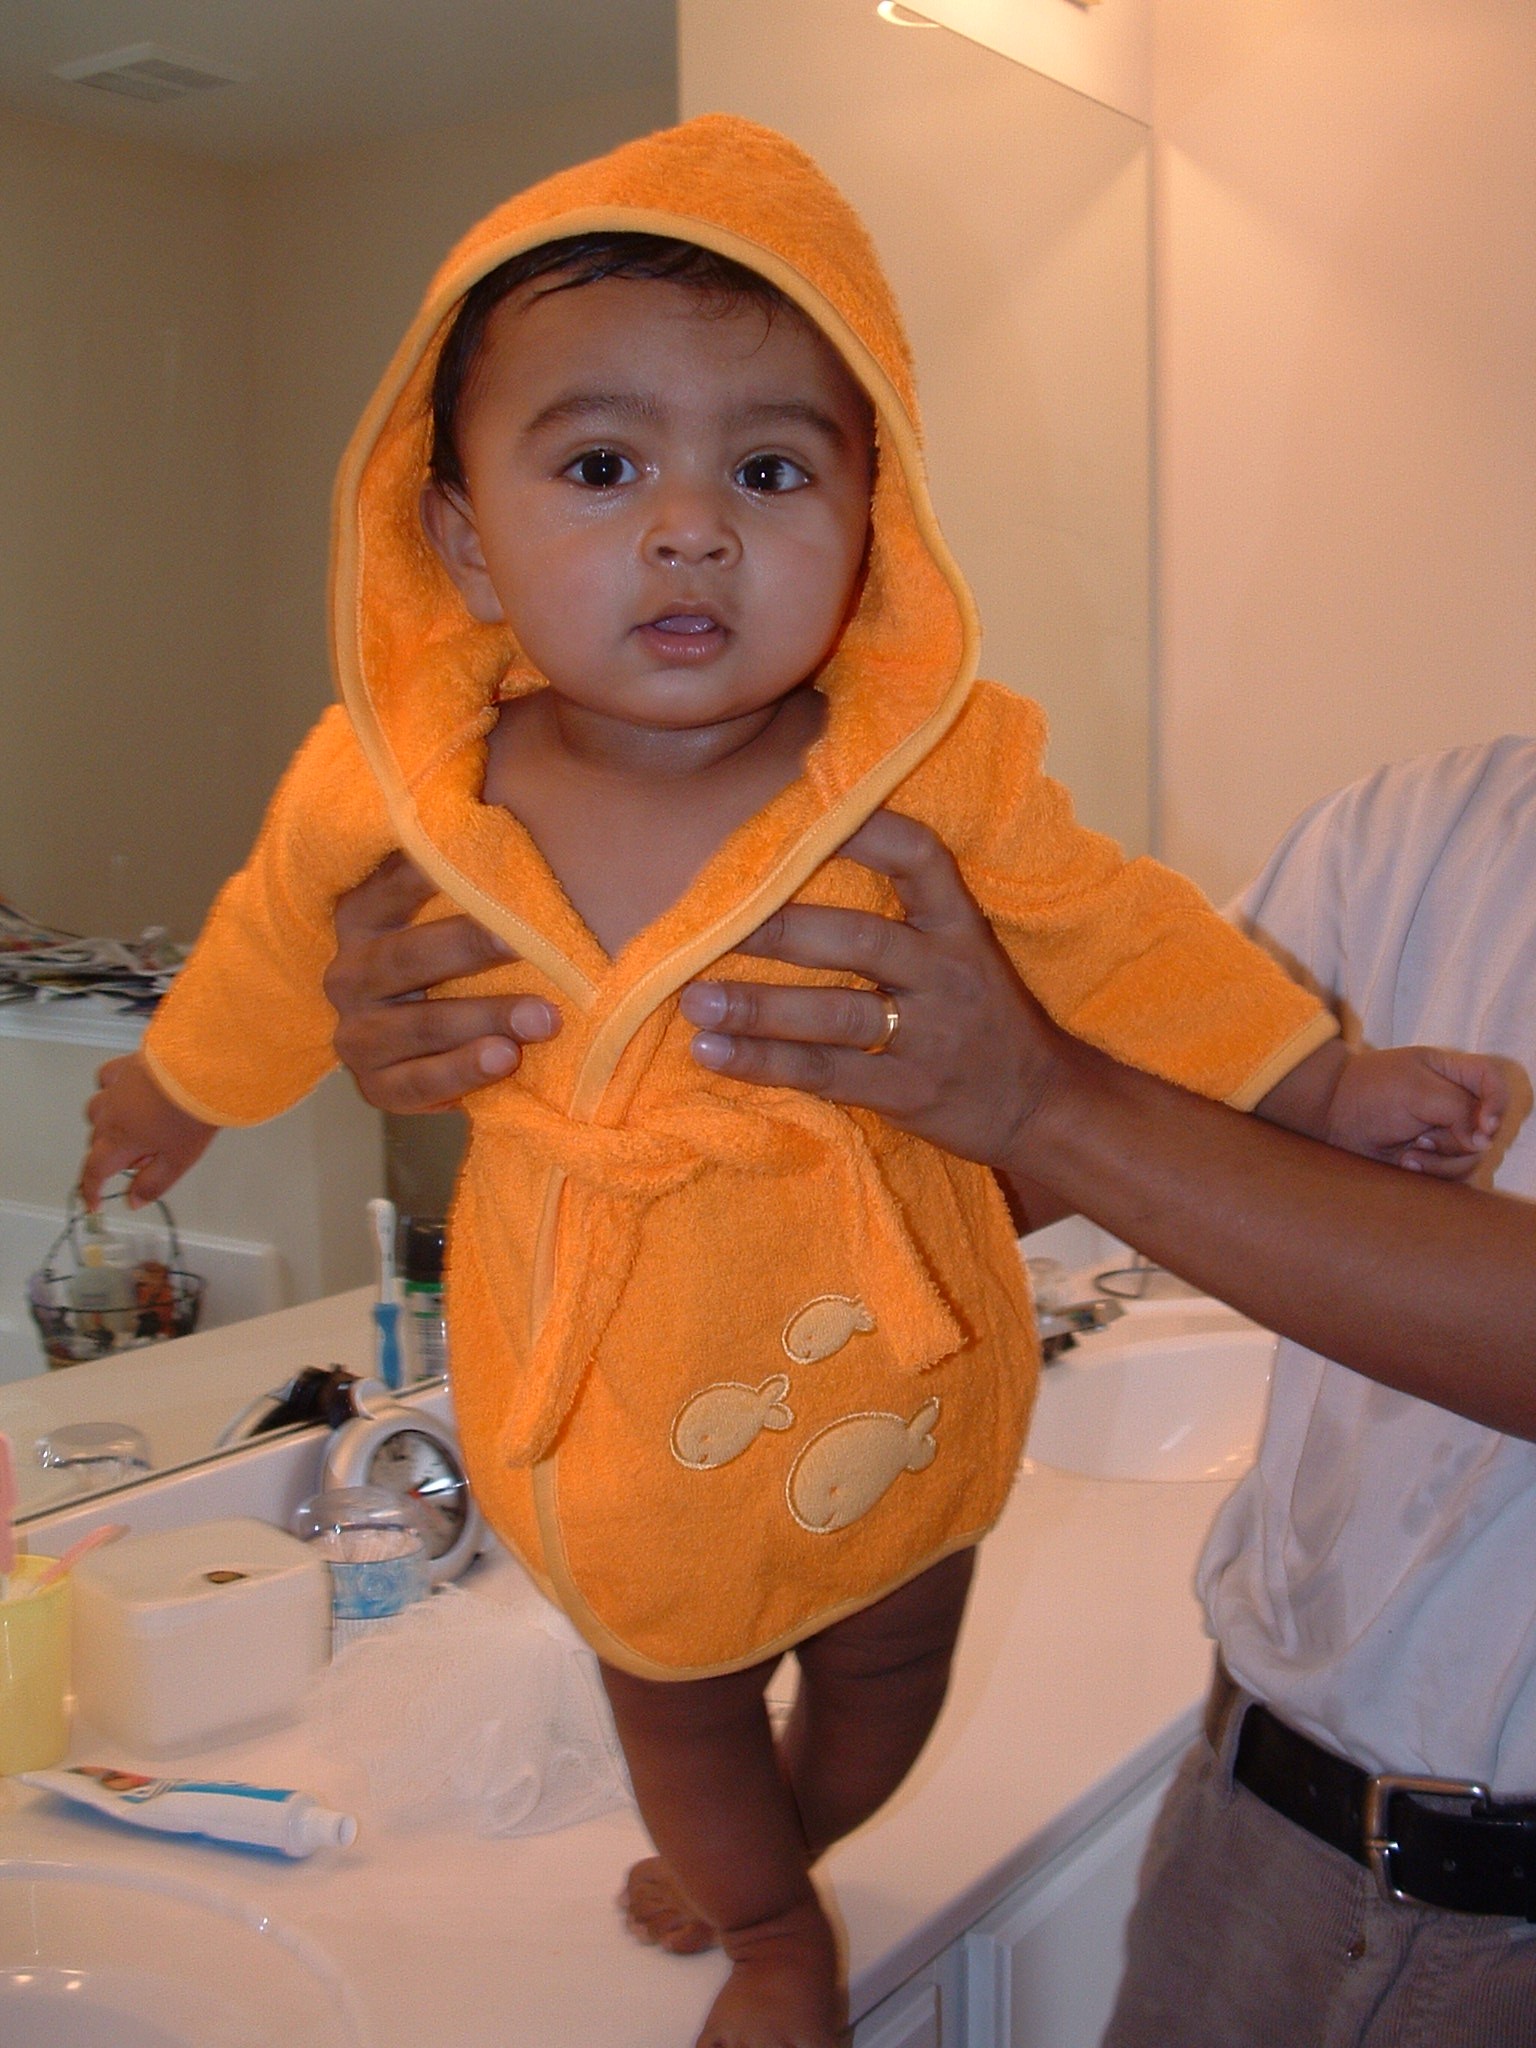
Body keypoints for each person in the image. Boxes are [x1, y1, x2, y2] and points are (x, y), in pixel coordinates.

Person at [77, 117, 1506, 2048]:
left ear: (874, 521)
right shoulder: (405, 779)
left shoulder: (925, 765)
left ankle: (808, 1835)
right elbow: (272, 939)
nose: (692, 528)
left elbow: (1119, 936)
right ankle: (769, 1931)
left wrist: (1314, 1085)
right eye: (602, 467)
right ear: (461, 536)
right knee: (673, 1701)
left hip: (879, 1366)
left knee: (891, 1668)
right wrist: (180, 1088)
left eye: (769, 471)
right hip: (608, 1389)